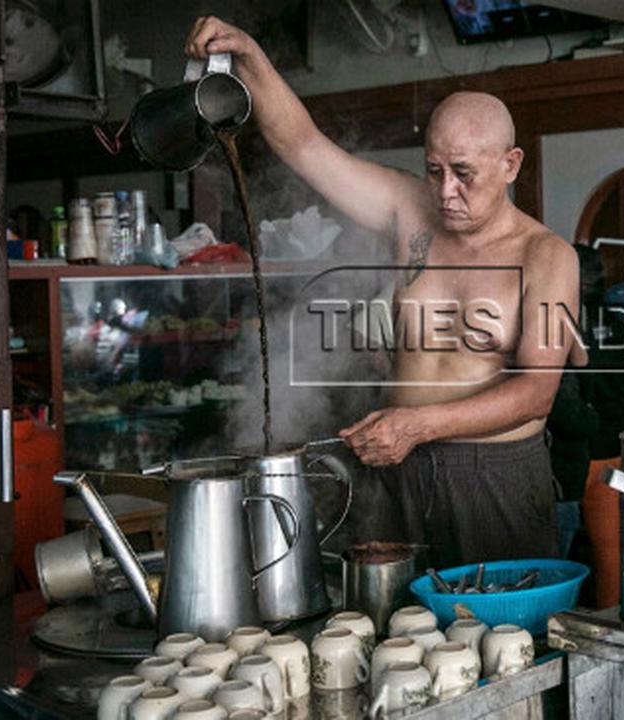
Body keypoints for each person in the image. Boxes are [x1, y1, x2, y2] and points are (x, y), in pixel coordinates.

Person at [186, 17, 580, 568]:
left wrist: (417, 425)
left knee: (503, 643)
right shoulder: (409, 208)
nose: (446, 192)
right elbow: (304, 146)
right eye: (435, 170)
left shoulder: (548, 255)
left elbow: (536, 393)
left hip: (493, 479)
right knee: (390, 633)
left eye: (464, 174)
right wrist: (250, 57)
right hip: (396, 470)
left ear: (510, 165)